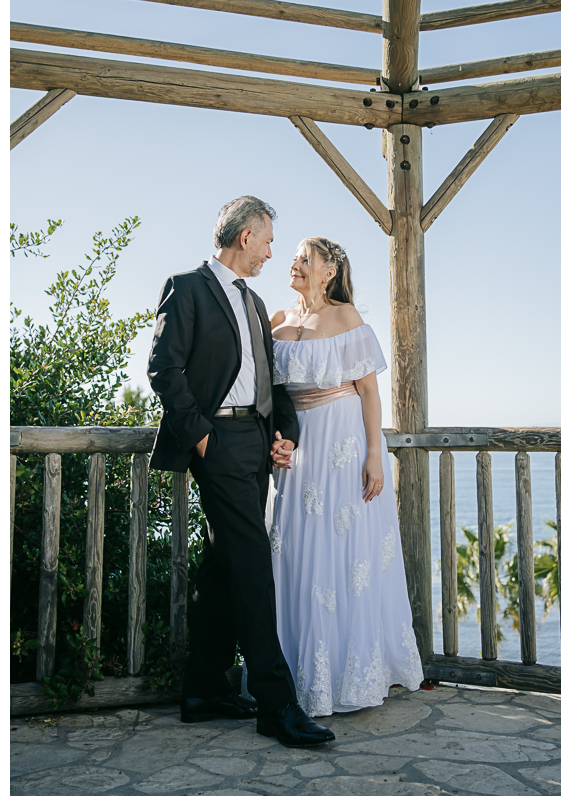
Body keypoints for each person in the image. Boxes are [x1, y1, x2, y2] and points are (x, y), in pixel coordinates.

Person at [147, 197, 335, 747]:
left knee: (225, 565)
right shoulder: (187, 287)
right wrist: (201, 435)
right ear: (245, 236)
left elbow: (272, 382)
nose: (274, 252)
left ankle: (203, 689)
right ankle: (278, 707)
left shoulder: (255, 303)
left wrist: (285, 434)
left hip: (256, 442)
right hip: (218, 443)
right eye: (269, 241)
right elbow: (163, 367)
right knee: (254, 565)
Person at [269, 237, 424, 716]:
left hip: (343, 443)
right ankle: (294, 672)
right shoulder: (276, 321)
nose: (294, 264)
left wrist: (375, 454)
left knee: (343, 552)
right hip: (297, 451)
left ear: (328, 271)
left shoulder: (347, 318)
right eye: (294, 257)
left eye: (304, 258)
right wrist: (274, 437)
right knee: (295, 551)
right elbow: (269, 396)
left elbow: (370, 395)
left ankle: (349, 673)